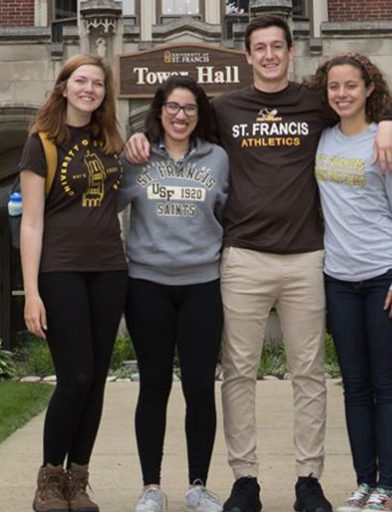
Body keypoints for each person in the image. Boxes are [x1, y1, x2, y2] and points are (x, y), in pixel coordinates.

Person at [125, 15, 392, 512]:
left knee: (309, 374)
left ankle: (308, 481)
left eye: (278, 46)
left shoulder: (315, 105)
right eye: (260, 48)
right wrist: (138, 141)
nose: (270, 55)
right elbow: (176, 130)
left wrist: (389, 125)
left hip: (306, 258)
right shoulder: (225, 110)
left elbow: (357, 106)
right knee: (237, 373)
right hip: (242, 257)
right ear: (247, 56)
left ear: (290, 53)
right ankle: (244, 480)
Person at [306, 53, 392, 512]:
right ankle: (363, 483)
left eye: (351, 86)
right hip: (338, 279)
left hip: (383, 279)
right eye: (334, 86)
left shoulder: (386, 141)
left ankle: (388, 488)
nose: (342, 94)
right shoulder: (323, 140)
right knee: (354, 386)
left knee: (387, 384)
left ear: (369, 89)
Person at [19, 53, 127, 512]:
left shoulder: (111, 142)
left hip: (109, 268)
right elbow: (30, 224)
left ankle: (78, 480)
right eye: (81, 81)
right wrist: (32, 292)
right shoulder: (41, 143)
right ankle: (49, 480)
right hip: (60, 270)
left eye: (97, 83)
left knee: (97, 379)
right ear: (63, 87)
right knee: (75, 376)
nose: (90, 89)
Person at [117, 75, 229, 512]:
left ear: (200, 115)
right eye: (173, 107)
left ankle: (198, 486)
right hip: (147, 285)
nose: (180, 116)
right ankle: (151, 487)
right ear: (159, 111)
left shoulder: (218, 159)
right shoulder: (138, 156)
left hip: (202, 285)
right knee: (155, 386)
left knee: (200, 386)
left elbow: (230, 212)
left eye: (190, 109)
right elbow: (107, 205)